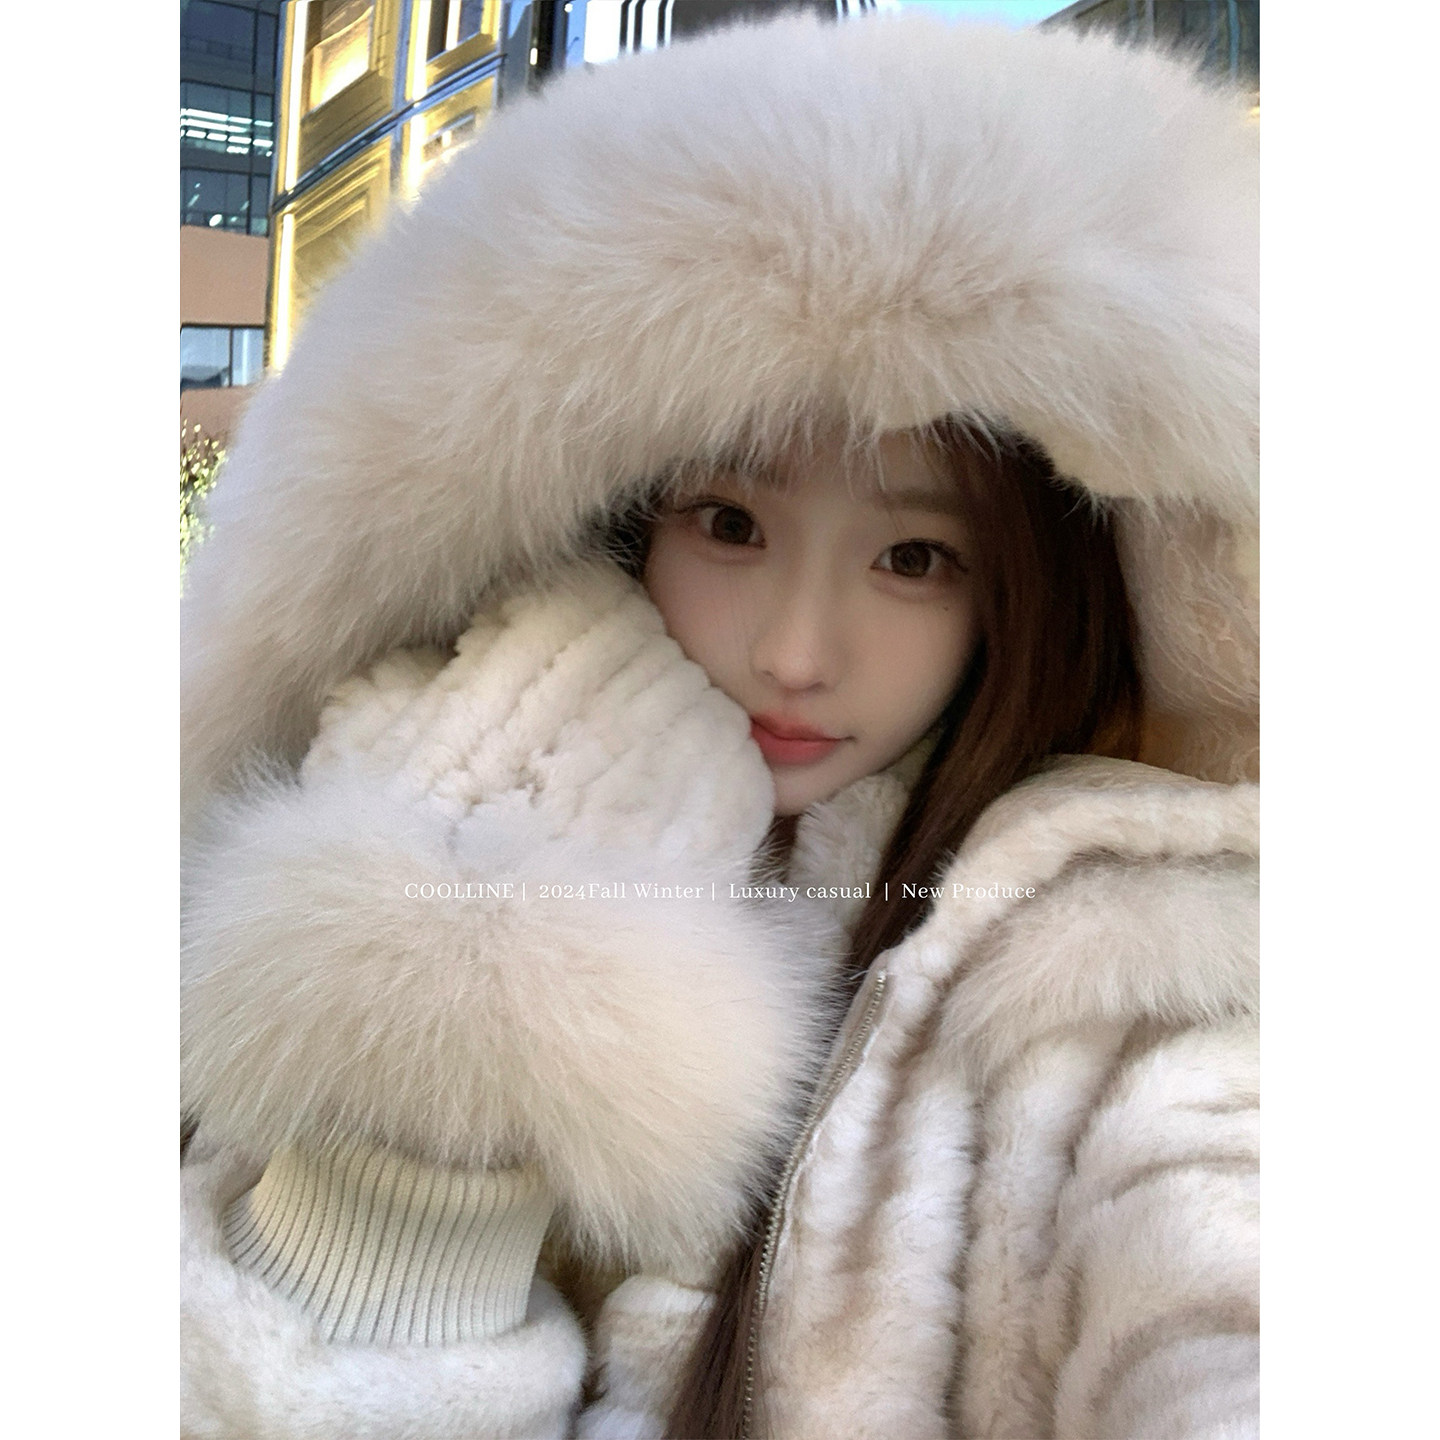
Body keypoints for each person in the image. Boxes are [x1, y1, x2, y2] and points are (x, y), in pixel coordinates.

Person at [180, 10, 1258, 1439]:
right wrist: (455, 975)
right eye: (730, 524)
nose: (796, 654)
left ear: (1036, 590)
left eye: (915, 558)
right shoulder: (396, 790)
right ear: (607, 522)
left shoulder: (1127, 972)